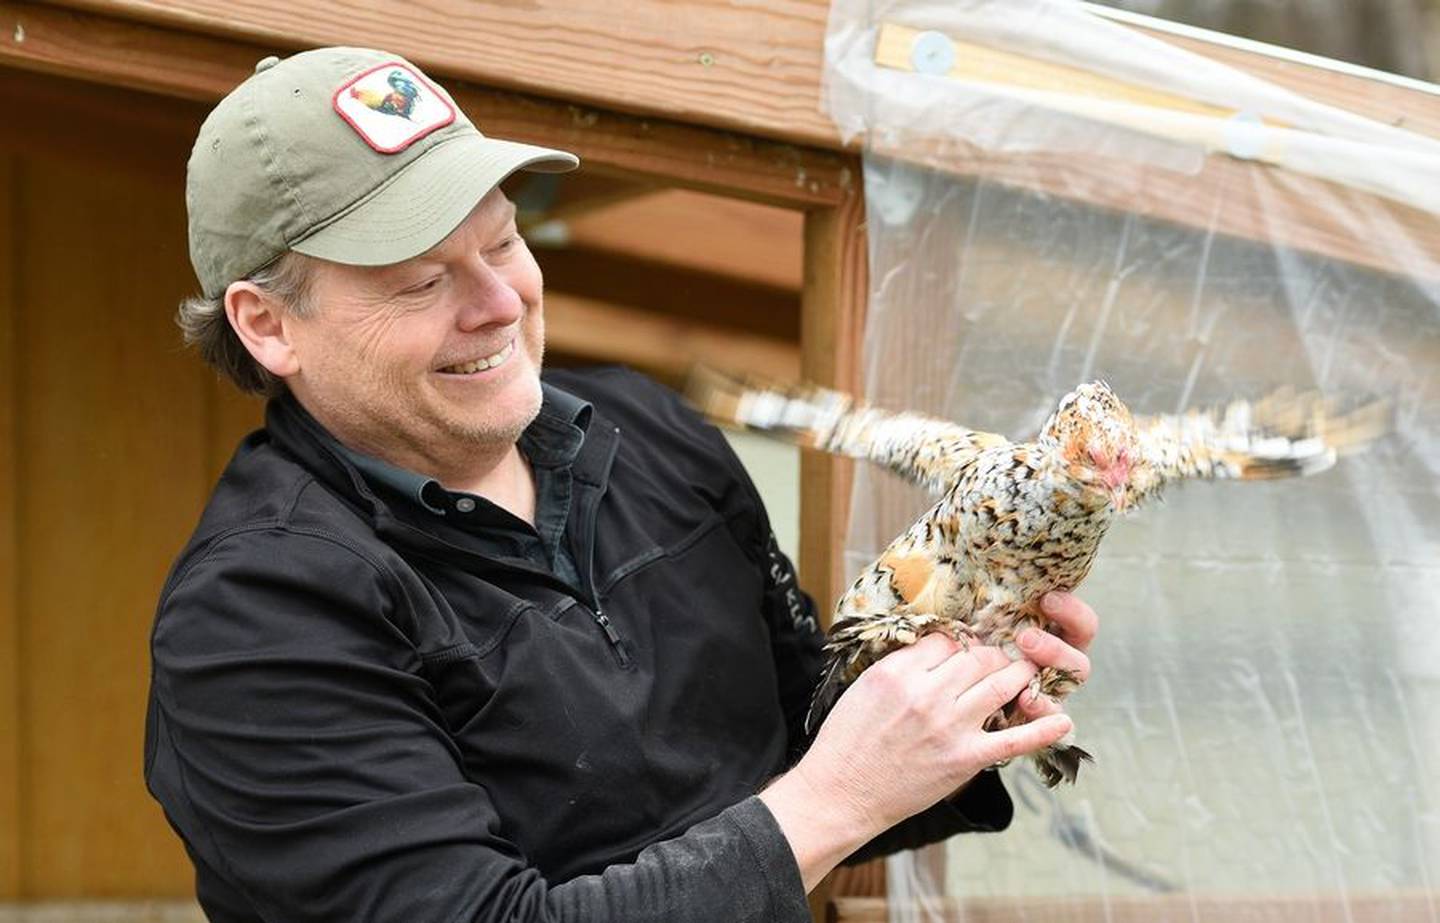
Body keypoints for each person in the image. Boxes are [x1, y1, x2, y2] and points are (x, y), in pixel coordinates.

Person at [145, 46, 1096, 922]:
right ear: (269, 325)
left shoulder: (646, 432)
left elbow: (801, 747)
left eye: (504, 242)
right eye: (421, 282)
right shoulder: (256, 614)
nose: (500, 303)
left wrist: (957, 685)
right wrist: (839, 792)